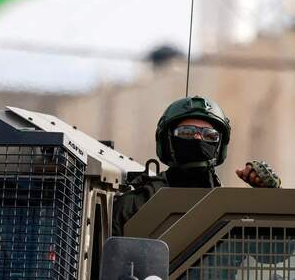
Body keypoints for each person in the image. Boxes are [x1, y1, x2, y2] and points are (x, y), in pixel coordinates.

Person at [111, 95, 281, 236]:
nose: (198, 139)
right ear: (167, 140)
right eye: (186, 132)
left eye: (209, 135)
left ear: (219, 145)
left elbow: (276, 253)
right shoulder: (136, 204)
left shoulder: (233, 208)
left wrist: (269, 199)